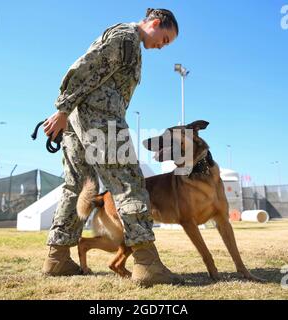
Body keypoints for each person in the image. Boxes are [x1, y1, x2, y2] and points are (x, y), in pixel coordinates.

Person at [42, 8, 182, 286]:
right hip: (100, 120)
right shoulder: (127, 37)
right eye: (164, 39)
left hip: (79, 120)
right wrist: (61, 108)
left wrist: (65, 112)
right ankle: (147, 263)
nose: (161, 46)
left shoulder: (127, 40)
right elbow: (85, 67)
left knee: (77, 186)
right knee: (129, 183)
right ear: (154, 23)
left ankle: (57, 257)